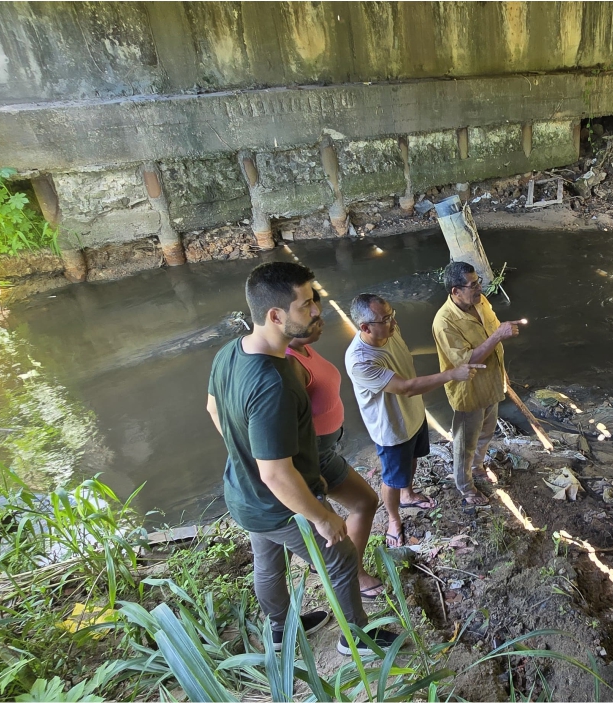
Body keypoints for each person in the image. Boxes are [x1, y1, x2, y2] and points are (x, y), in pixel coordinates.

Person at [206, 261, 395, 656]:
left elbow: (212, 409)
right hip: (278, 504)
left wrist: (247, 452)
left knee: (268, 561)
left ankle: (280, 630)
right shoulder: (272, 381)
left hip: (243, 493)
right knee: (341, 559)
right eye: (306, 305)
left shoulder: (230, 353)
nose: (316, 312)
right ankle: (355, 639)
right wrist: (322, 516)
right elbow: (276, 474)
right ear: (275, 315)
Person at [345, 293, 483, 548]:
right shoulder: (360, 360)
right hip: (391, 428)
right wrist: (452, 374)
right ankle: (394, 519)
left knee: (414, 457)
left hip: (413, 414)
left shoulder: (389, 331)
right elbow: (406, 387)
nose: (394, 323)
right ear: (365, 327)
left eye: (392, 314)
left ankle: (407, 495)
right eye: (386, 319)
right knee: (391, 478)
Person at [287, 290, 384, 599]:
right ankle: (350, 586)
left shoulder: (303, 348)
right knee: (332, 533)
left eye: (317, 303)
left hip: (325, 452)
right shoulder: (288, 366)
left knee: (365, 501)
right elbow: (284, 433)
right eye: (308, 307)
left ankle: (346, 570)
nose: (319, 313)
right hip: (308, 460)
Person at [431, 261, 523, 507]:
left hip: (491, 383)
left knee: (487, 431)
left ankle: (478, 466)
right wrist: (497, 336)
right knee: (465, 443)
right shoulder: (444, 322)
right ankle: (465, 486)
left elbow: (494, 343)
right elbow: (467, 363)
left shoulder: (480, 302)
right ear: (455, 291)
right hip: (468, 390)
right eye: (473, 285)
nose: (480, 288)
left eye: (478, 282)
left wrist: (502, 373)